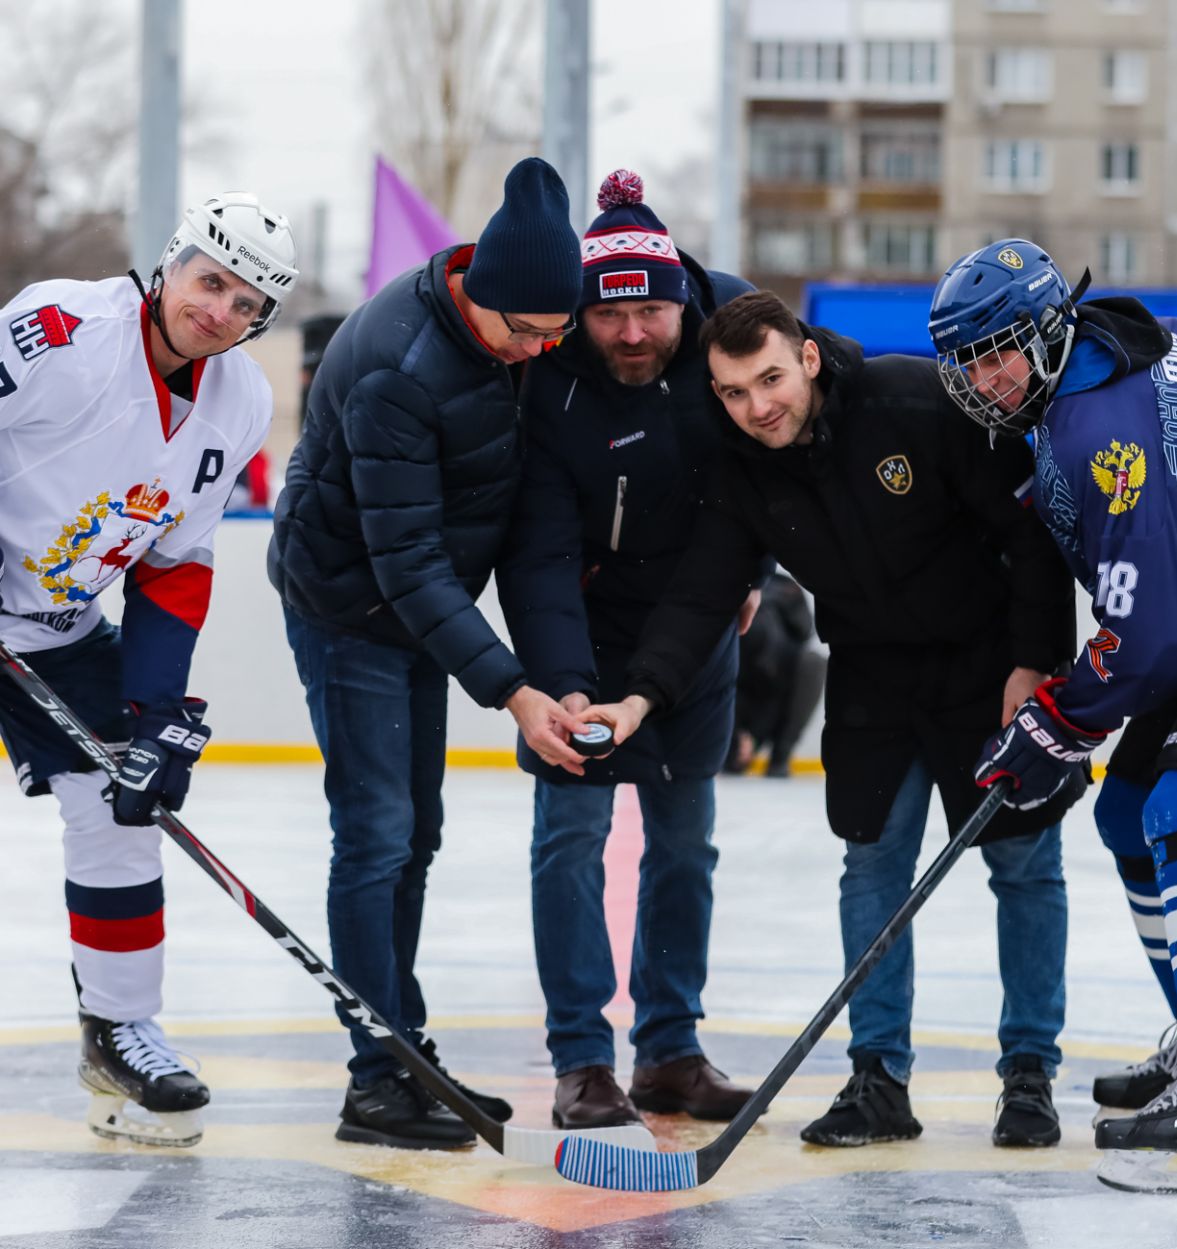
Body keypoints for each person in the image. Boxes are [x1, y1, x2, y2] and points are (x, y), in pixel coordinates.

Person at [579, 289, 1084, 1150]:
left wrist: (1033, 664)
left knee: (1024, 865)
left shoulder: (916, 399)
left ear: (807, 357)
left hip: (985, 668)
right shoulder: (742, 464)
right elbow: (706, 588)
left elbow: (1031, 532)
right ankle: (878, 1076)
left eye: (770, 379)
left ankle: (1029, 1073)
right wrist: (640, 694)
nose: (756, 407)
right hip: (872, 680)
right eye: (734, 392)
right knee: (871, 869)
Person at [269, 157, 593, 1151]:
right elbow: (403, 560)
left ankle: (399, 1047)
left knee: (418, 832)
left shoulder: (515, 344)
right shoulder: (395, 366)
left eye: (556, 331)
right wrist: (509, 689)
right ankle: (377, 1076)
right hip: (350, 607)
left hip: (423, 603)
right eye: (526, 332)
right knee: (375, 833)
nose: (541, 350)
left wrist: (556, 674)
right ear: (478, 297)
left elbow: (530, 522)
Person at [0, 192, 299, 1146]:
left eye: (246, 303)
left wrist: (155, 708)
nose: (219, 311)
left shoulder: (242, 400)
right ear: (170, 264)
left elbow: (174, 567)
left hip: (54, 625)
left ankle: (118, 1031)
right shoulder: (61, 327)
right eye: (210, 282)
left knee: (125, 800)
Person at [928, 238, 1177, 1180]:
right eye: (968, 360)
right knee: (1128, 813)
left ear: (1049, 330)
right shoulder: (1092, 370)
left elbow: (1157, 633)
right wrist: (1060, 700)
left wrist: (1059, 717)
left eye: (999, 351)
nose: (982, 379)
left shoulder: (1099, 427)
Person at [495, 170, 756, 1129]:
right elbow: (537, 551)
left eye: (651, 310)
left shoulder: (730, 340)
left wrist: (753, 571)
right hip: (582, 623)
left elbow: (771, 463)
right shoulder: (550, 377)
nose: (633, 334)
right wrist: (560, 686)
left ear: (682, 301)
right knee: (571, 841)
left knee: (685, 846)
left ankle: (671, 1051)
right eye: (612, 317)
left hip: (694, 627)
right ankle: (580, 1058)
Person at [724, 571, 826, 778]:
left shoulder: (784, 586)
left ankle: (780, 754)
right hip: (738, 694)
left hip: (775, 683)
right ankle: (734, 744)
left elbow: (805, 630)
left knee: (813, 662)